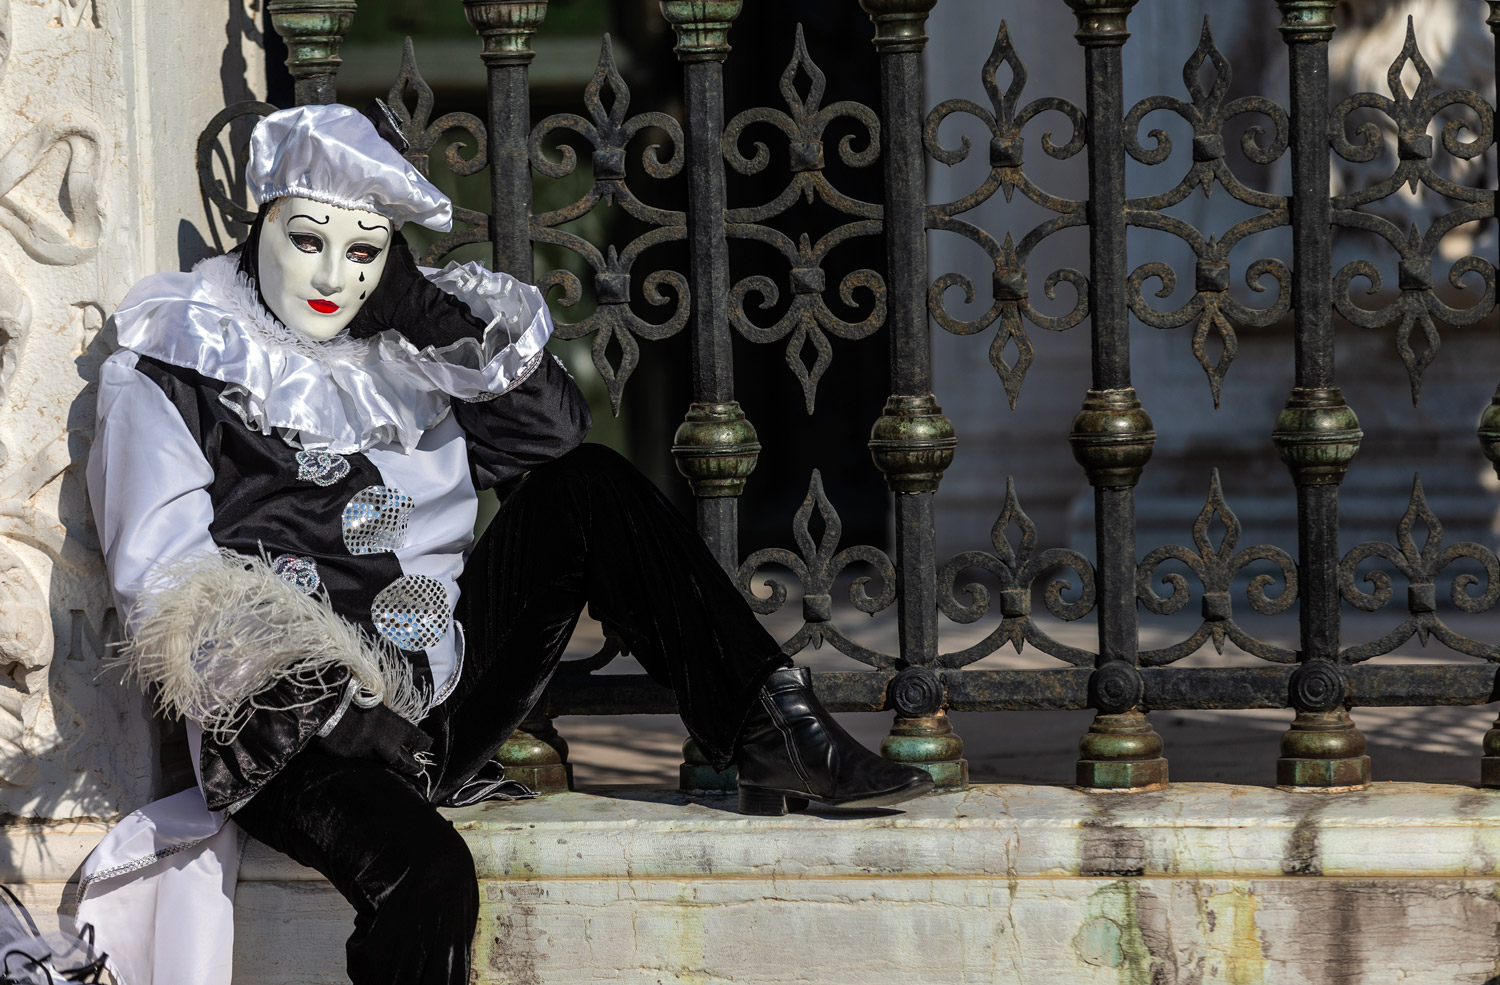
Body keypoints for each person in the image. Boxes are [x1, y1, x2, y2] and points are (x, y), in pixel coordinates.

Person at [73, 102, 931, 985]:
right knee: (431, 875)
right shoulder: (179, 358)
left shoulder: (402, 346)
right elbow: (165, 581)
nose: (334, 273)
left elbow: (550, 441)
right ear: (262, 226)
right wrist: (330, 708)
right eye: (307, 240)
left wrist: (422, 313)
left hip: (439, 698)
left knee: (590, 484)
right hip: (299, 740)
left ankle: (769, 730)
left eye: (364, 251)